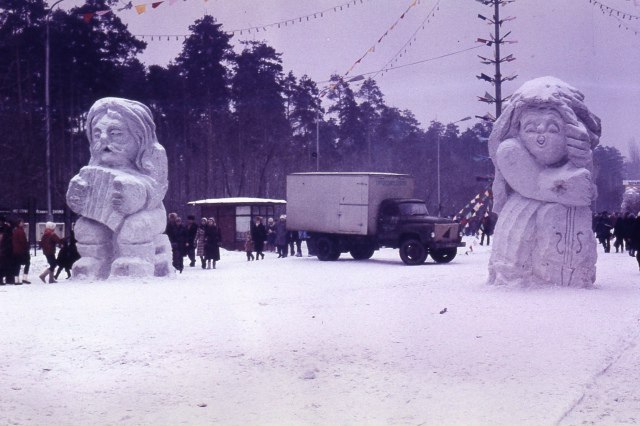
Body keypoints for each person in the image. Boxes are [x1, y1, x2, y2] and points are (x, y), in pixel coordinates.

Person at [487, 77, 601, 288]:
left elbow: (584, 187)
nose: (541, 138)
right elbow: (565, 187)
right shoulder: (511, 153)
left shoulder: (580, 162)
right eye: (531, 129)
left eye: (553, 129)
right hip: (519, 240)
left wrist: (581, 162)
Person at [65, 97, 171, 279]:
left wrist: (138, 195)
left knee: (135, 226)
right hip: (104, 217)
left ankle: (135, 259)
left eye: (115, 133)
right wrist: (77, 196)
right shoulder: (97, 163)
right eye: (97, 133)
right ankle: (94, 259)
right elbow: (85, 194)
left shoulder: (154, 154)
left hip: (147, 213)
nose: (103, 139)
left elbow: (158, 189)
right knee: (85, 227)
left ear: (139, 136)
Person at [12, 218, 30, 284]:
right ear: (18, 223)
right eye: (21, 222)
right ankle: (24, 278)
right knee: (27, 263)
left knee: (17, 265)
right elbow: (23, 241)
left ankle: (16, 280)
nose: (23, 223)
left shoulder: (15, 231)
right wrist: (26, 248)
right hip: (22, 251)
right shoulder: (20, 231)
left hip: (16, 250)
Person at [0, 216, 15, 284]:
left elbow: (9, 239)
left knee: (6, 265)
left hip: (6, 250)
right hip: (6, 250)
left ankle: (8, 279)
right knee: (6, 265)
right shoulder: (7, 228)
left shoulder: (7, 228)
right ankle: (9, 279)